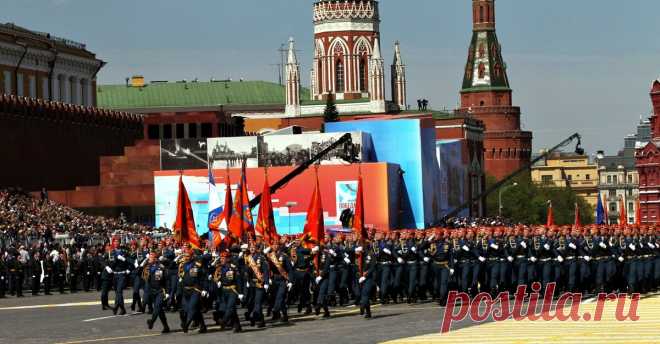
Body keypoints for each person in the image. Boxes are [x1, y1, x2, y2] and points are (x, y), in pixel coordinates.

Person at [178, 248, 208, 333]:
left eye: (188, 256)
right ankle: (203, 326)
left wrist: (205, 289)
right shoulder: (183, 265)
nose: (186, 258)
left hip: (196, 289)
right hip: (186, 290)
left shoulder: (197, 265)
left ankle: (186, 324)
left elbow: (204, 278)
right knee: (190, 309)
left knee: (192, 307)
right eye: (185, 256)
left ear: (192, 256)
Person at [213, 251, 243, 332]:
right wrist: (218, 281)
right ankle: (237, 326)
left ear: (228, 259)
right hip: (224, 290)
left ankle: (224, 321)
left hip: (232, 290)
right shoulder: (219, 267)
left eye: (223, 258)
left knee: (230, 308)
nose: (222, 259)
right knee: (230, 309)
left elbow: (238, 280)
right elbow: (216, 277)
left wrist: (240, 293)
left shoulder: (233, 267)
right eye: (221, 258)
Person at [144, 251, 170, 334]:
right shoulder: (148, 266)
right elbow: (143, 277)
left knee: (157, 307)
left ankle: (152, 321)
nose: (149, 258)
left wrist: (168, 292)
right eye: (149, 257)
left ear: (155, 259)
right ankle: (166, 327)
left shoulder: (160, 267)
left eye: (151, 257)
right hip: (152, 291)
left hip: (160, 291)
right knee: (160, 311)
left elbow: (166, 280)